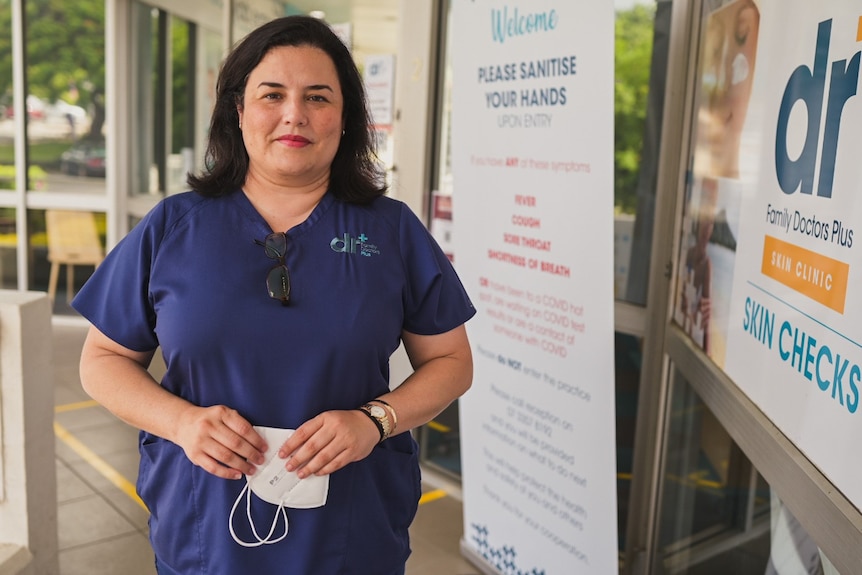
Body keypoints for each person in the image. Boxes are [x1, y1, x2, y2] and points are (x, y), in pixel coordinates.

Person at [72, 15, 475, 575]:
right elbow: (103, 360)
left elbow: (452, 361)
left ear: (346, 118)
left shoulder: (393, 232)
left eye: (318, 96)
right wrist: (181, 424)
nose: (295, 114)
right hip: (205, 521)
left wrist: (375, 421)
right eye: (272, 95)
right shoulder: (173, 227)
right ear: (238, 112)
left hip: (351, 525)